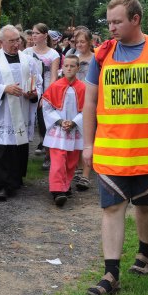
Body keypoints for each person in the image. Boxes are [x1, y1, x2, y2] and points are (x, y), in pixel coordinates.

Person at [82, 0, 148, 295]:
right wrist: (87, 145)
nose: (111, 27)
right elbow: (89, 101)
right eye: (109, 21)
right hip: (111, 152)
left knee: (144, 207)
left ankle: (145, 254)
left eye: (117, 21)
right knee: (112, 208)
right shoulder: (101, 56)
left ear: (135, 19)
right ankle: (110, 274)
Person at [0, 25, 42, 201]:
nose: (16, 44)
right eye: (12, 41)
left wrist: (33, 92)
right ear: (1, 42)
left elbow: (38, 81)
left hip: (21, 110)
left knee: (16, 147)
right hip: (2, 113)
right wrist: (5, 88)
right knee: (1, 147)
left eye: (18, 40)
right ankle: (0, 184)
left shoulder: (28, 60)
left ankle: (14, 181)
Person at [42, 54, 85, 207]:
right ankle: (57, 190)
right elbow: (47, 107)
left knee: (71, 161)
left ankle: (65, 186)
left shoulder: (83, 87)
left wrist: (74, 122)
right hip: (58, 131)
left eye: (72, 66)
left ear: (78, 68)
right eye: (66, 65)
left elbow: (87, 109)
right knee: (58, 161)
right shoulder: (55, 86)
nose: (68, 68)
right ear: (62, 67)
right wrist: (60, 121)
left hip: (74, 129)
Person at [24, 24, 60, 169]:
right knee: (26, 122)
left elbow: (53, 77)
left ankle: (48, 155)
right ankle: (22, 153)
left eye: (37, 33)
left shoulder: (53, 54)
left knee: (46, 125)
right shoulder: (26, 52)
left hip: (46, 92)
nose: (34, 35)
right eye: (32, 33)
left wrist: (46, 96)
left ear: (45, 35)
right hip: (29, 91)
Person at [67, 26, 95, 191]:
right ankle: (77, 168)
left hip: (90, 101)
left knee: (88, 136)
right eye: (77, 41)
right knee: (76, 134)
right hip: (74, 100)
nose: (79, 44)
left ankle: (86, 174)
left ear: (90, 42)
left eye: (82, 41)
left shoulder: (96, 59)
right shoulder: (73, 58)